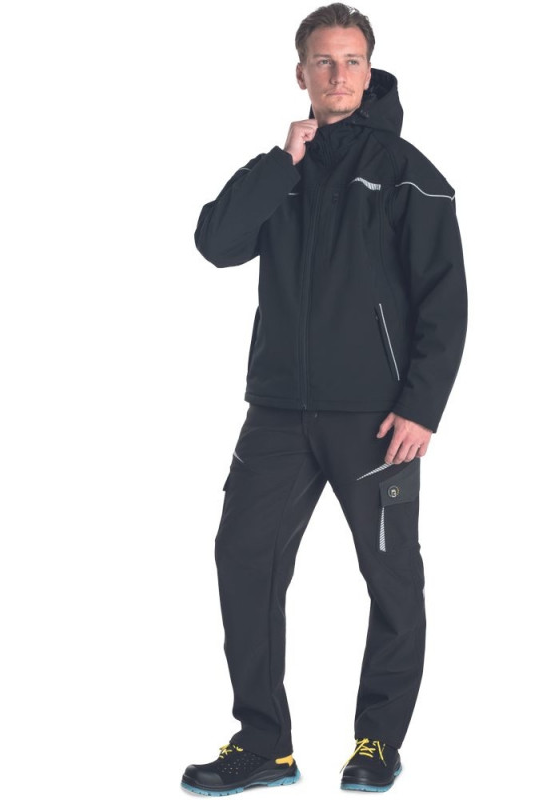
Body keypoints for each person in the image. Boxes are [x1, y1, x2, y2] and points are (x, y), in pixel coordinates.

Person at [181, 3, 467, 794]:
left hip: (377, 420)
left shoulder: (408, 172)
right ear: (300, 73)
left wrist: (422, 406)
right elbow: (216, 244)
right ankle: (264, 744)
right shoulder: (282, 170)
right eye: (323, 61)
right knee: (242, 558)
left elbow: (445, 301)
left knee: (390, 576)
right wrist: (282, 162)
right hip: (277, 413)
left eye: (351, 61)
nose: (338, 74)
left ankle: (378, 741)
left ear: (369, 71)